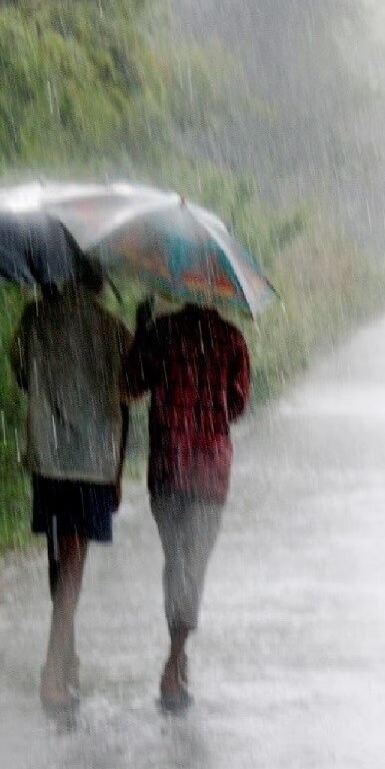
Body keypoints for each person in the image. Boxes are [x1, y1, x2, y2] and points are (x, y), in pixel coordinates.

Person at [9, 265, 132, 713]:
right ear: (99, 279)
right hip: (92, 460)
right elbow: (129, 393)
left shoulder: (35, 319)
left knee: (59, 554)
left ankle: (67, 653)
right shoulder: (113, 329)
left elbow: (23, 378)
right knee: (74, 561)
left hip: (49, 452)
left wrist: (41, 315)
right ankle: (52, 667)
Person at [122, 298, 251, 711]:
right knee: (192, 563)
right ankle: (176, 657)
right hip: (209, 472)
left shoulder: (161, 333)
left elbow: (131, 385)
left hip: (167, 466)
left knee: (176, 560)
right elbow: (236, 407)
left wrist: (142, 331)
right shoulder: (231, 339)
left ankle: (176, 654)